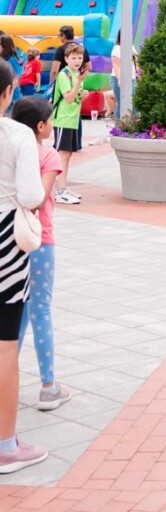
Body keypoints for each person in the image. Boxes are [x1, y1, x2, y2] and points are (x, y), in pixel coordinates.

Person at [0, 58, 47, 473]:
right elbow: (31, 195)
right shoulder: (16, 135)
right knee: (5, 345)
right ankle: (6, 446)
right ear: (7, 93)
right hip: (4, 245)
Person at [13, 96, 71, 413]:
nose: (51, 125)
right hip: (38, 239)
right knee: (41, 310)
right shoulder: (47, 155)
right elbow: (38, 199)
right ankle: (49, 387)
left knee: (15, 310)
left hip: (7, 241)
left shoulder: (8, 151)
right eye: (49, 120)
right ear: (40, 126)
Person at [51, 42, 86, 205]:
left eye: (79, 57)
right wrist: (79, 83)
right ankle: (59, 191)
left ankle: (63, 188)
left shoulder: (77, 74)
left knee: (68, 154)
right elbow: (69, 97)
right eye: (73, 58)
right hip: (63, 119)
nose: (77, 61)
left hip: (72, 119)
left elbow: (76, 97)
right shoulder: (65, 75)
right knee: (62, 154)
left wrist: (83, 94)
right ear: (66, 59)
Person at [0, 34, 23, 112]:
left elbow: (16, 78)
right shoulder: (3, 59)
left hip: (11, 96)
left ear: (4, 46)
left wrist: (9, 90)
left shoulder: (12, 60)